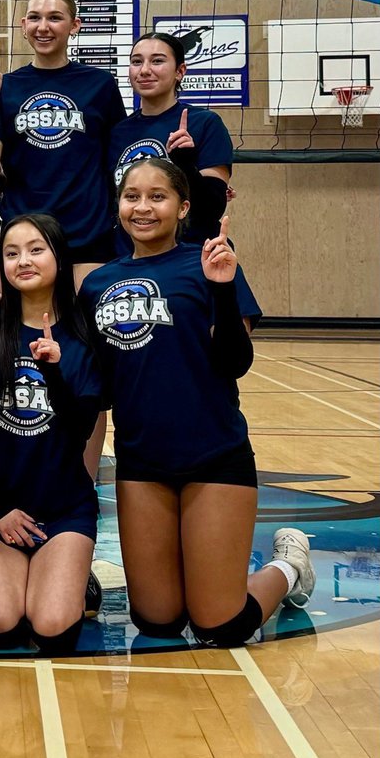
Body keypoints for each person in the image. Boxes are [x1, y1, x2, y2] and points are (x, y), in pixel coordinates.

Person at [79, 157, 314, 647]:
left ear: (183, 207)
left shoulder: (209, 262)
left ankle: (289, 566)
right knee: (157, 620)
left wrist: (223, 289)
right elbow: (95, 384)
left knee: (220, 626)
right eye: (131, 196)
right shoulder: (97, 285)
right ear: (118, 205)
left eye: (157, 196)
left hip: (214, 456)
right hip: (143, 463)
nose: (143, 207)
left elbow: (234, 362)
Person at [0, 214, 101, 655]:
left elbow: (79, 430)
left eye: (36, 249)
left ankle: (72, 578)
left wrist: (53, 373)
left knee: (51, 628)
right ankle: (38, 575)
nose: (23, 261)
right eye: (11, 253)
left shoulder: (84, 336)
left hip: (63, 506)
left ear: (59, 256)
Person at [0, 0, 127, 284]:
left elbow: (117, 164)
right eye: (34, 18)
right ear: (23, 26)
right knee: (26, 330)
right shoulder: (7, 87)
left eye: (55, 18)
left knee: (87, 330)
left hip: (88, 234)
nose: (43, 27)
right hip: (25, 234)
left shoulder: (100, 85)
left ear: (74, 25)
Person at [109, 31, 233, 251]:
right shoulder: (118, 131)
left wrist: (185, 165)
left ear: (180, 71)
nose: (145, 70)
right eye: (137, 62)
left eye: (157, 61)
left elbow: (212, 207)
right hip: (129, 258)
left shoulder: (205, 123)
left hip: (190, 255)